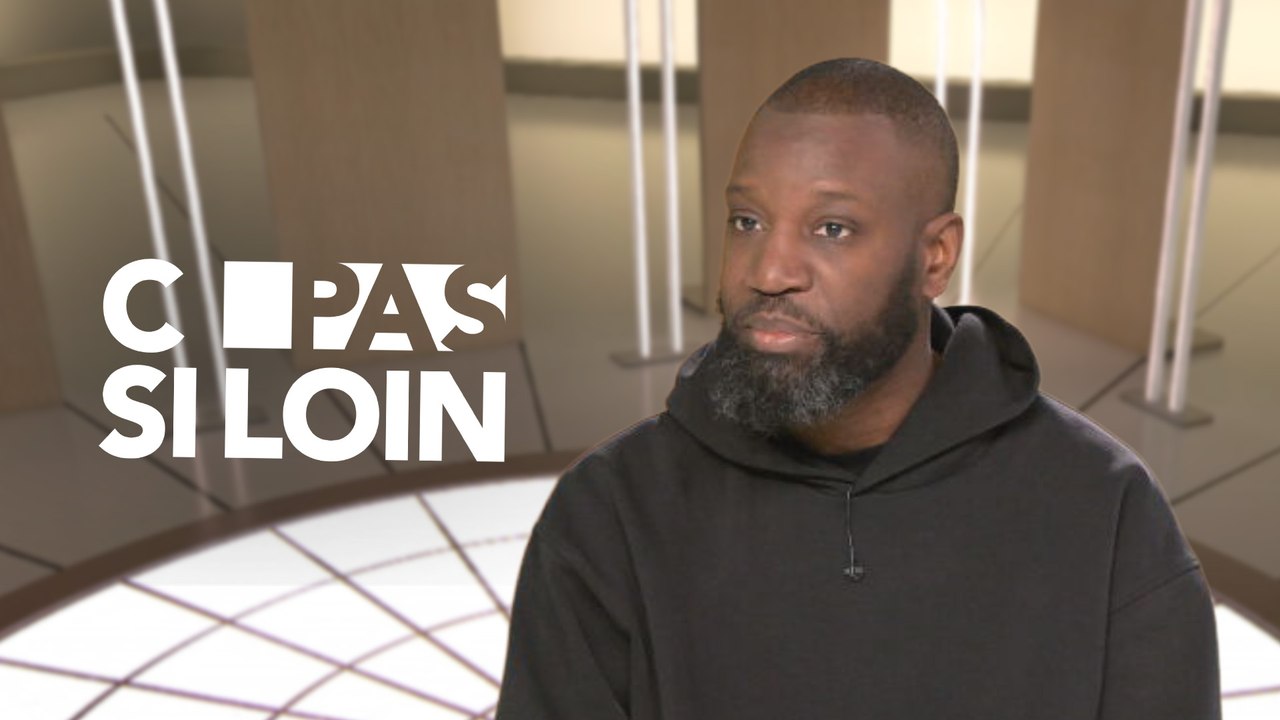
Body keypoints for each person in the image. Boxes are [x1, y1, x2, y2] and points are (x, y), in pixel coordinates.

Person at [495, 58, 1220, 719]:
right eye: (747, 221)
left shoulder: (1106, 510)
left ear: (935, 257)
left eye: (832, 228)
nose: (769, 271)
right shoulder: (608, 514)